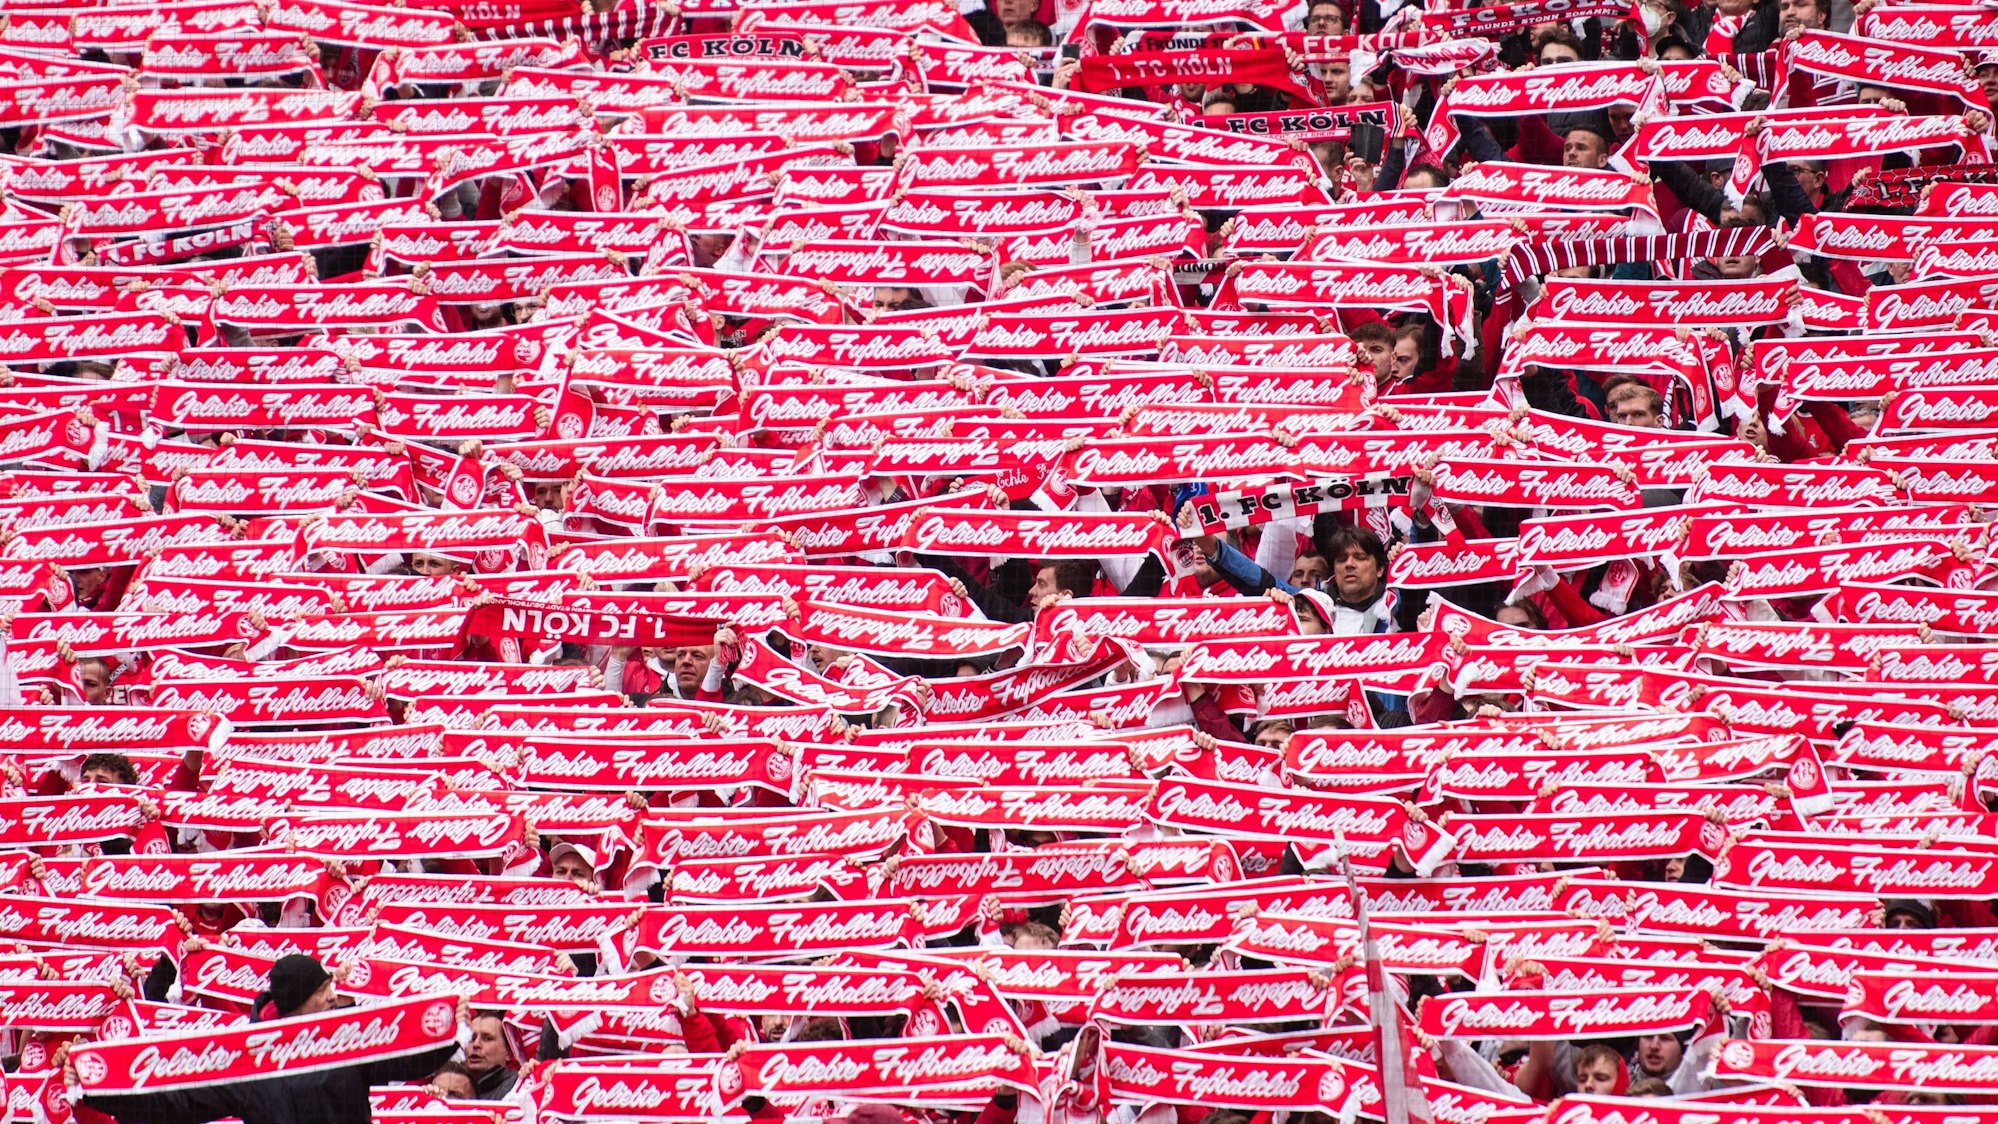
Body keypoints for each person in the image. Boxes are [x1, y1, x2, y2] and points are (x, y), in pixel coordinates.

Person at [77, 957, 461, 1124]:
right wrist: (94, 1089)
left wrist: (449, 1032)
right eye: (322, 990)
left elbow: (406, 1060)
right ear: (298, 1000)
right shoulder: (246, 1056)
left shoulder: (347, 1039)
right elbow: (176, 1106)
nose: (332, 998)